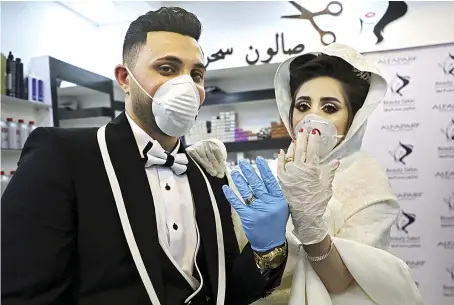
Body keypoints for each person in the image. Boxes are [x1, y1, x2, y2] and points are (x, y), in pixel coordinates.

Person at [1, 7, 290, 305]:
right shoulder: (61, 156)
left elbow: (228, 291)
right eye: (167, 69)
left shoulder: (207, 174)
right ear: (125, 78)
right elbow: (24, 294)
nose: (187, 86)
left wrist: (266, 249)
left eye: (196, 74)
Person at [187, 43, 423, 305]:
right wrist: (214, 180)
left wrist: (312, 229)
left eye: (329, 108)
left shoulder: (368, 181)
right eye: (302, 105)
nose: (312, 118)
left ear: (353, 119)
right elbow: (242, 247)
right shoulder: (277, 169)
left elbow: (342, 282)